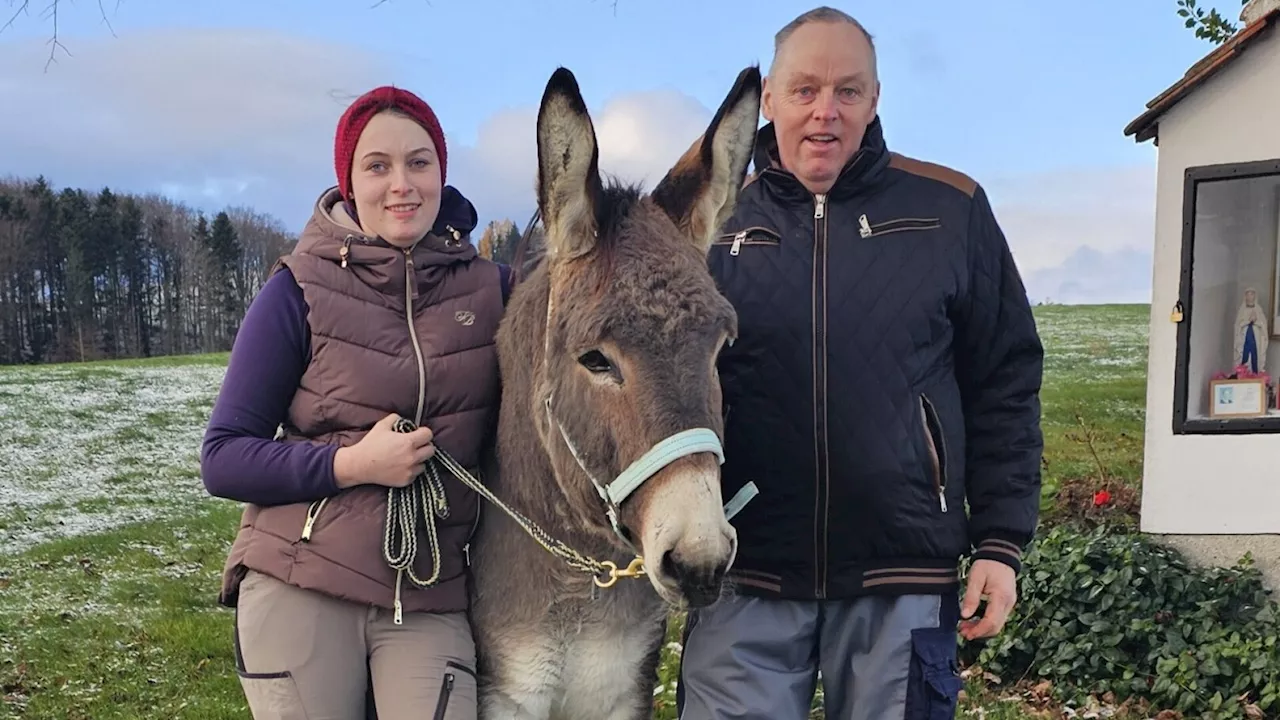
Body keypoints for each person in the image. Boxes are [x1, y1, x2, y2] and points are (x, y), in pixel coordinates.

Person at [677, 7, 1045, 720]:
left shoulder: (951, 209)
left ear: (875, 101)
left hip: (901, 570)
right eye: (806, 89)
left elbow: (1006, 379)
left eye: (848, 91)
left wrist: (1001, 544)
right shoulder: (709, 225)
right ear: (769, 98)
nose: (826, 111)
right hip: (745, 569)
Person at [200, 85, 510, 720]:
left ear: (442, 173)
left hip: (428, 592)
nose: (402, 184)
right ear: (349, 181)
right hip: (301, 581)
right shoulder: (298, 289)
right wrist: (354, 465)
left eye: (419, 162)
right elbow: (223, 458)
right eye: (378, 166)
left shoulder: (494, 290)